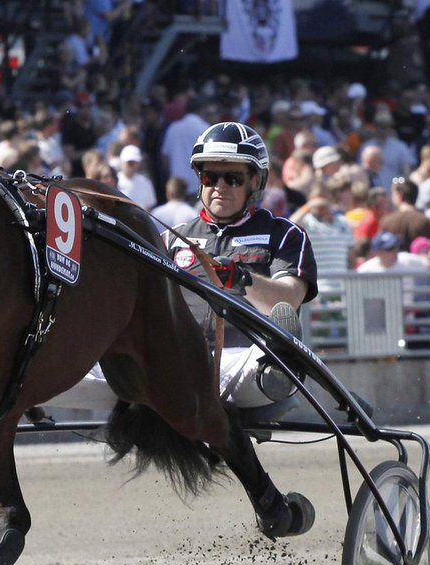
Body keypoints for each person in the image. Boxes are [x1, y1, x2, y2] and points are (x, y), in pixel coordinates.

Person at [48, 122, 318, 413]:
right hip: (173, 363)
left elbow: (288, 299)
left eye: (233, 178)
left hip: (240, 357)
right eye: (210, 176)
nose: (219, 187)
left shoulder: (284, 234)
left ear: (256, 181)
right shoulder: (170, 237)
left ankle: (276, 368)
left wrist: (241, 279)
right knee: (67, 371)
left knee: (253, 366)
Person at [380, 178, 430, 251]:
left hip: (394, 261)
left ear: (399, 195)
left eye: (393, 194)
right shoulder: (425, 221)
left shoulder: (387, 221)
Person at [115, 144, 156, 210]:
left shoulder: (145, 182)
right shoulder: (114, 180)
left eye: (134, 163)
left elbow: (149, 207)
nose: (131, 165)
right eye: (129, 162)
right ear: (122, 162)